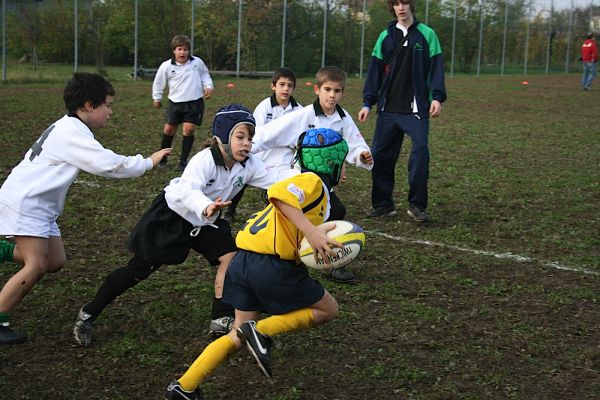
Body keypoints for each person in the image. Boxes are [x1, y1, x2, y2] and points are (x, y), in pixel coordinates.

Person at [73, 104, 298, 347]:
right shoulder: (204, 160)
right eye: (240, 136)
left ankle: (220, 316)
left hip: (207, 222)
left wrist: (310, 173)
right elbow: (189, 190)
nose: (246, 144)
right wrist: (206, 206)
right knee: (138, 271)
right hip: (172, 218)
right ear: (221, 137)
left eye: (250, 138)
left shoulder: (249, 164)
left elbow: (277, 178)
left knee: (230, 257)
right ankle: (89, 313)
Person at [164, 128, 349, 400]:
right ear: (332, 162)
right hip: (270, 266)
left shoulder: (315, 193)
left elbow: (293, 231)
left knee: (237, 335)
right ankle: (260, 331)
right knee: (328, 309)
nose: (346, 169)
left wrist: (316, 246)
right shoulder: (311, 181)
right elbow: (277, 193)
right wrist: (310, 231)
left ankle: (185, 387)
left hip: (243, 263)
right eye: (345, 163)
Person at [0, 72, 171, 345]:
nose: (111, 112)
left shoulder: (71, 127)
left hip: (38, 206)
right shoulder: (72, 133)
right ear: (89, 105)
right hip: (26, 204)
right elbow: (108, 164)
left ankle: (2, 250)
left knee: (55, 262)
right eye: (108, 105)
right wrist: (147, 162)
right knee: (36, 265)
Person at [251, 65, 373, 283]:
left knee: (336, 211)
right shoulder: (302, 115)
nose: (332, 95)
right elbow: (269, 134)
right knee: (300, 218)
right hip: (302, 181)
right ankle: (282, 256)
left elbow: (355, 142)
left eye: (337, 91)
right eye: (327, 89)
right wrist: (241, 148)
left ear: (342, 93)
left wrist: (363, 154)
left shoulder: (344, 119)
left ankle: (331, 262)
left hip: (326, 183)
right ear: (317, 89)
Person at [358, 0, 446, 223]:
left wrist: (437, 97)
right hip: (388, 109)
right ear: (392, 7)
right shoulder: (385, 37)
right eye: (396, 3)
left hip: (416, 109)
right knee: (380, 156)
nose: (401, 7)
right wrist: (368, 102)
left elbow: (436, 68)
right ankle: (383, 204)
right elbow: (375, 71)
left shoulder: (427, 35)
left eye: (405, 2)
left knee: (420, 153)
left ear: (411, 5)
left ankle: (417, 205)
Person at [224, 67, 302, 222]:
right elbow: (255, 133)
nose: (286, 88)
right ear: (273, 86)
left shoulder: (299, 110)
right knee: (243, 178)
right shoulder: (264, 106)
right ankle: (230, 210)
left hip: (284, 155)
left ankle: (274, 210)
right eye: (282, 84)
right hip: (261, 153)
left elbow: (299, 135)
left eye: (290, 85)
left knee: (284, 181)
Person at [153, 34, 214, 171]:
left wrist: (208, 86)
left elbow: (205, 75)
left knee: (188, 129)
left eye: (185, 49)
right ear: (174, 51)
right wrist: (157, 97)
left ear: (189, 51)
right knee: (169, 130)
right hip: (175, 103)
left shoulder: (197, 63)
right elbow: (158, 82)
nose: (182, 52)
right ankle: (163, 156)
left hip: (194, 103)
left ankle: (183, 161)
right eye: (179, 49)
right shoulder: (167, 66)